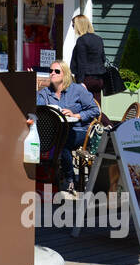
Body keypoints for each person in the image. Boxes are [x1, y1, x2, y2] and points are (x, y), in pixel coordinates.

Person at [36, 60, 101, 193]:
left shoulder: (77, 90)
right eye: (51, 71)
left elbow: (95, 110)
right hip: (55, 131)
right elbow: (38, 109)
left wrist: (77, 115)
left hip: (79, 130)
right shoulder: (45, 93)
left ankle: (69, 178)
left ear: (65, 74)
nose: (52, 73)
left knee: (61, 143)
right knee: (46, 141)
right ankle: (46, 178)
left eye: (56, 71)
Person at [69, 14, 107, 102]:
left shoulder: (81, 40)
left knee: (84, 106)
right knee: (97, 105)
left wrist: (80, 82)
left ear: (78, 25)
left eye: (73, 25)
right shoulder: (99, 39)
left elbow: (81, 63)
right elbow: (103, 59)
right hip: (99, 79)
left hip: (87, 79)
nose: (73, 27)